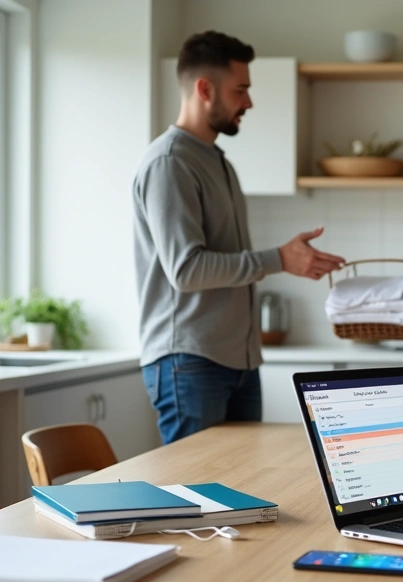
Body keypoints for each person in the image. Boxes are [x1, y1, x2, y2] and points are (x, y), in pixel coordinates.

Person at [133, 31, 344, 445]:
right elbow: (187, 270)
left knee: (241, 494)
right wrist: (278, 259)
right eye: (241, 89)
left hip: (237, 361)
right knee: (196, 501)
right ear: (205, 89)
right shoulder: (170, 162)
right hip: (189, 362)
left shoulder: (217, 162)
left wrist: (282, 259)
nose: (248, 102)